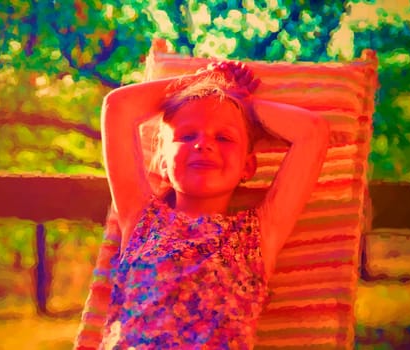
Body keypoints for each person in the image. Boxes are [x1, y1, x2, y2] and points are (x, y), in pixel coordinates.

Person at [98, 60, 330, 349]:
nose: (203, 144)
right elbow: (117, 107)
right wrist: (204, 81)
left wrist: (240, 102)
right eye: (186, 136)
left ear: (248, 166)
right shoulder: (142, 220)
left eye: (224, 137)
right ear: (162, 162)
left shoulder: (258, 235)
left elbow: (312, 131)